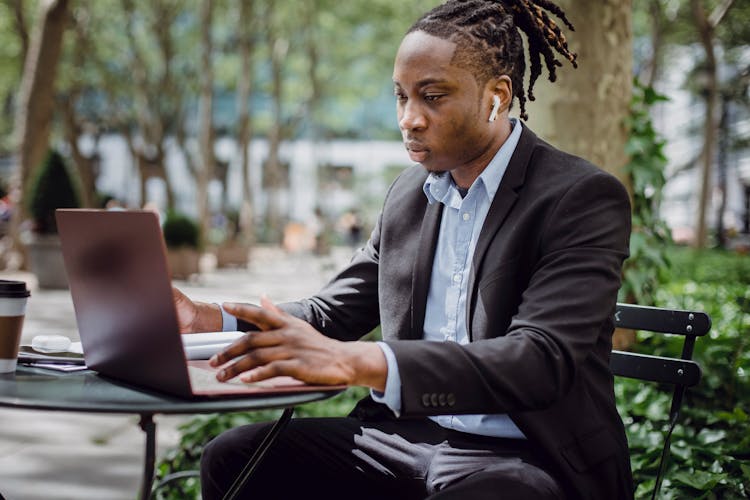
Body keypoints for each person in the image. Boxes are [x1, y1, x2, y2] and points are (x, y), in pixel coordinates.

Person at [174, 0, 634, 498]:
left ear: (496, 97)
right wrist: (208, 318)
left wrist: (358, 362)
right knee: (236, 458)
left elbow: (538, 359)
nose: (409, 119)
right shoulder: (409, 195)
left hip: (526, 452)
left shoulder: (579, 198)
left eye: (432, 96)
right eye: (401, 97)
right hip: (405, 436)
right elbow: (332, 314)